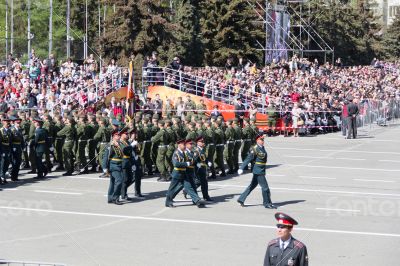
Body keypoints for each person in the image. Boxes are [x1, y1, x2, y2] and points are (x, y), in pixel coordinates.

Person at [237, 132, 277, 209]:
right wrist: (241, 168)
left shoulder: (262, 147)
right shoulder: (255, 149)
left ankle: (241, 199)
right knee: (265, 188)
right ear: (257, 140)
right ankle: (267, 203)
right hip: (258, 170)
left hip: (261, 169)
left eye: (263, 139)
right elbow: (248, 159)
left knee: (252, 186)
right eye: (261, 139)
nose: (263, 141)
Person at [165, 139, 205, 208]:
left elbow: (192, 161)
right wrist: (186, 163)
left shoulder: (184, 153)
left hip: (184, 173)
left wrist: (197, 164)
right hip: (177, 173)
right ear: (179, 145)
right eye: (183, 145)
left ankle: (197, 200)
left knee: (190, 187)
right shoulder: (176, 153)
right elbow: (176, 164)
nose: (184, 146)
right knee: (172, 189)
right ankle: (168, 202)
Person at [103, 130, 124, 205]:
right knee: (119, 181)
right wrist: (104, 167)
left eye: (119, 135)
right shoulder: (110, 145)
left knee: (112, 182)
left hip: (119, 164)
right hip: (113, 165)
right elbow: (106, 156)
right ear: (113, 137)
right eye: (117, 135)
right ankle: (115, 198)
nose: (118, 136)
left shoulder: (120, 144)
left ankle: (110, 198)